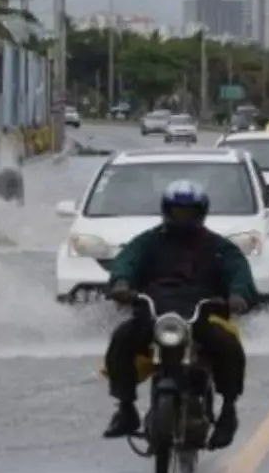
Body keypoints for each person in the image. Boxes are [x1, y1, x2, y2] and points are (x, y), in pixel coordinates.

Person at [101, 179, 259, 450]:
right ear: (166, 211)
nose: (182, 218)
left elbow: (238, 272)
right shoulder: (147, 242)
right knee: (121, 339)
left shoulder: (219, 247)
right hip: (155, 314)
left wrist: (238, 296)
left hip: (202, 314)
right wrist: (121, 285)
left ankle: (228, 412)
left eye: (188, 212)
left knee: (228, 346)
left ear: (200, 212)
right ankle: (125, 408)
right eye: (177, 212)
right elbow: (126, 262)